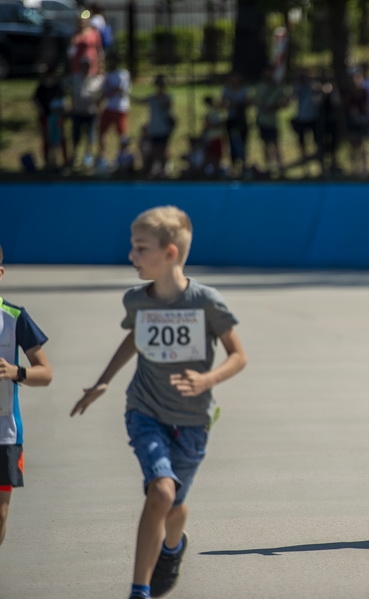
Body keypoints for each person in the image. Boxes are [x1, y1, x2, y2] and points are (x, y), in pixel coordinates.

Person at [70, 207, 248, 599]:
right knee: (162, 492)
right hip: (145, 411)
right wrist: (103, 381)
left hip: (193, 420)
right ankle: (140, 589)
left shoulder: (206, 302)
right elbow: (136, 337)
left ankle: (173, 547)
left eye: (139, 248)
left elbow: (238, 355)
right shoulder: (137, 300)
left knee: (174, 505)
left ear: (169, 253)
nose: (131, 256)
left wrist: (207, 378)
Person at [0, 245, 54, 547]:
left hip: (4, 433)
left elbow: (45, 373)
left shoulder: (15, 317)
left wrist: (15, 372)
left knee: (0, 516)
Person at [96, 53, 132, 173]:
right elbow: (104, 92)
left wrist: (111, 90)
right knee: (102, 131)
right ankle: (102, 157)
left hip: (120, 108)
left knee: (122, 135)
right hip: (109, 107)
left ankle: (122, 157)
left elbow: (121, 89)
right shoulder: (107, 76)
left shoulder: (123, 74)